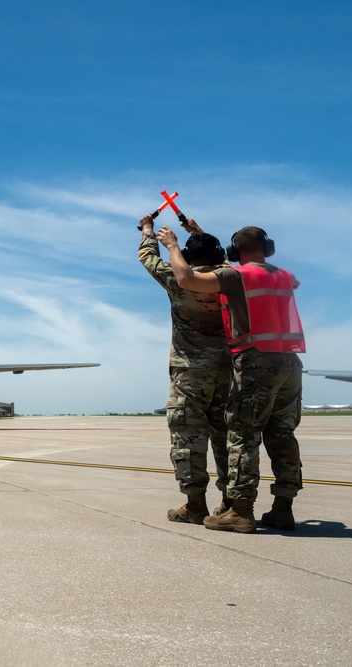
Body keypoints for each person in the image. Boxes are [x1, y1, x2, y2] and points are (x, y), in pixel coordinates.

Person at [156, 224, 305, 533]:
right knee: (282, 435)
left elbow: (186, 278)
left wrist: (172, 245)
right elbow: (279, 278)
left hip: (256, 360)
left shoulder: (234, 276)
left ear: (235, 253)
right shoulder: (285, 276)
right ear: (270, 248)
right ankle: (283, 509)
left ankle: (240, 510)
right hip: (290, 362)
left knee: (242, 434)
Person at [138, 214, 231, 525]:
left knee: (188, 437)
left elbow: (148, 257)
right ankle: (231, 503)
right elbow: (223, 259)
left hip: (189, 373)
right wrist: (199, 232)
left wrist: (150, 231)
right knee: (227, 437)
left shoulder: (178, 279)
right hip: (228, 371)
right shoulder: (228, 278)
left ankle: (195, 505)